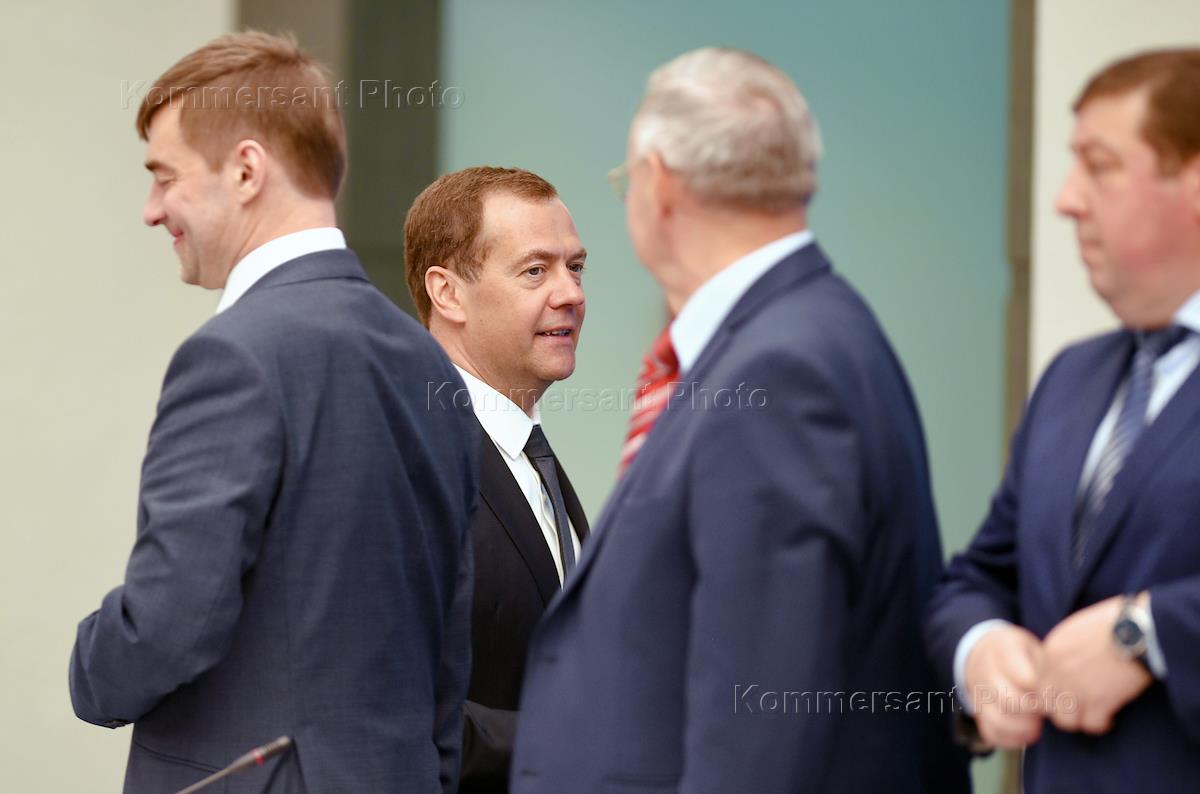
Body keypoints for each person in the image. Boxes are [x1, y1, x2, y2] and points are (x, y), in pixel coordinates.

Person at [510, 47, 968, 793]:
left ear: (660, 185)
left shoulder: (778, 372)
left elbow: (758, 727)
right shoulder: (804, 333)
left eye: (626, 183)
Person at [68, 31, 478, 793]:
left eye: (165, 177)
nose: (152, 211)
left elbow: (168, 622)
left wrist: (90, 666)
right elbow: (448, 638)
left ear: (247, 169)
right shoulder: (427, 361)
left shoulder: (231, 355)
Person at [926, 48, 1200, 791]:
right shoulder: (1072, 378)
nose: (1066, 199)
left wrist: (1148, 634)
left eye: (1099, 166)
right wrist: (980, 649)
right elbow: (982, 575)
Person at [404, 166, 590, 792]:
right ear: (447, 292)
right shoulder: (406, 454)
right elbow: (387, 703)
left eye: (576, 268)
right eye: (535, 271)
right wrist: (582, 737)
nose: (570, 294)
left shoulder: (529, 452)